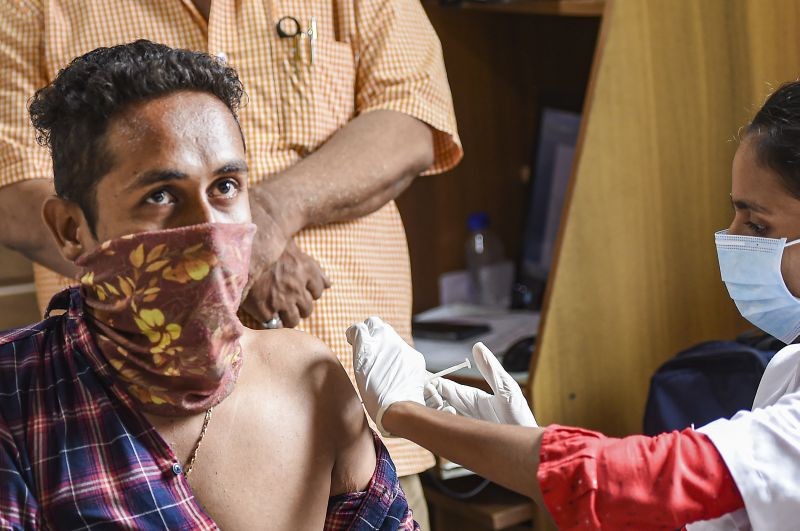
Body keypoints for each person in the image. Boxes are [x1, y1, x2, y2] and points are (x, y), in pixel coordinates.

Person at [0, 3, 462, 522]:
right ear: (70, 228)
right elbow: (9, 181)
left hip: (368, 424)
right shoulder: (20, 404)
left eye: (225, 187)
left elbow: (414, 119)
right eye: (159, 196)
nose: (212, 234)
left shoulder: (314, 380)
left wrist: (265, 219)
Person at [346, 81, 800, 530]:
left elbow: (646, 482)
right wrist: (523, 447)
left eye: (757, 225)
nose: (731, 239)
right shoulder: (789, 367)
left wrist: (406, 414)